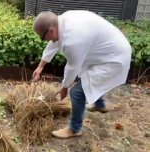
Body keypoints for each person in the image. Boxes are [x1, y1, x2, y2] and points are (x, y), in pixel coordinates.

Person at [32, 10, 131, 139]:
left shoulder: (73, 40)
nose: (44, 40)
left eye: (42, 37)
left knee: (77, 93)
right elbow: (54, 43)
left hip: (113, 59)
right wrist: (40, 67)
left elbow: (72, 67)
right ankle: (100, 105)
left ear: (51, 31)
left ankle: (74, 129)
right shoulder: (63, 20)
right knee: (88, 78)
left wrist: (64, 88)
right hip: (109, 49)